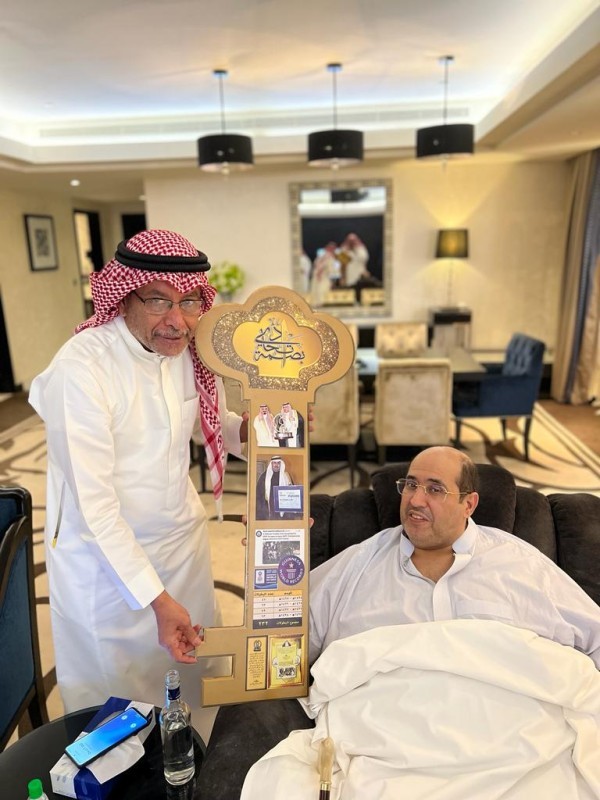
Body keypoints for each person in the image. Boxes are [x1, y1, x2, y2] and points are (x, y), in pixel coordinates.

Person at [28, 229, 247, 734]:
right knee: (117, 707)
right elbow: (94, 508)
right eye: (158, 301)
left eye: (188, 302)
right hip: (106, 567)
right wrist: (156, 600)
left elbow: (212, 424)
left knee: (191, 687)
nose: (177, 319)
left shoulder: (184, 350)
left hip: (182, 547)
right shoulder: (82, 368)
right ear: (124, 298)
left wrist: (270, 431)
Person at [309, 445, 600, 665]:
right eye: (411, 485)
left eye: (435, 489)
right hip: (378, 723)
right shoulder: (358, 564)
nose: (415, 500)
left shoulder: (521, 563)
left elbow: (594, 636)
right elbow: (289, 634)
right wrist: (286, 548)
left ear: (468, 504)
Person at [256, 456, 299, 520]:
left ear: (281, 464)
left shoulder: (286, 476)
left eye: (278, 463)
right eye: (274, 463)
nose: (276, 465)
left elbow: (291, 493)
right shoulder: (264, 477)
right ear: (271, 464)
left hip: (282, 506)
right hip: (268, 508)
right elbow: (258, 494)